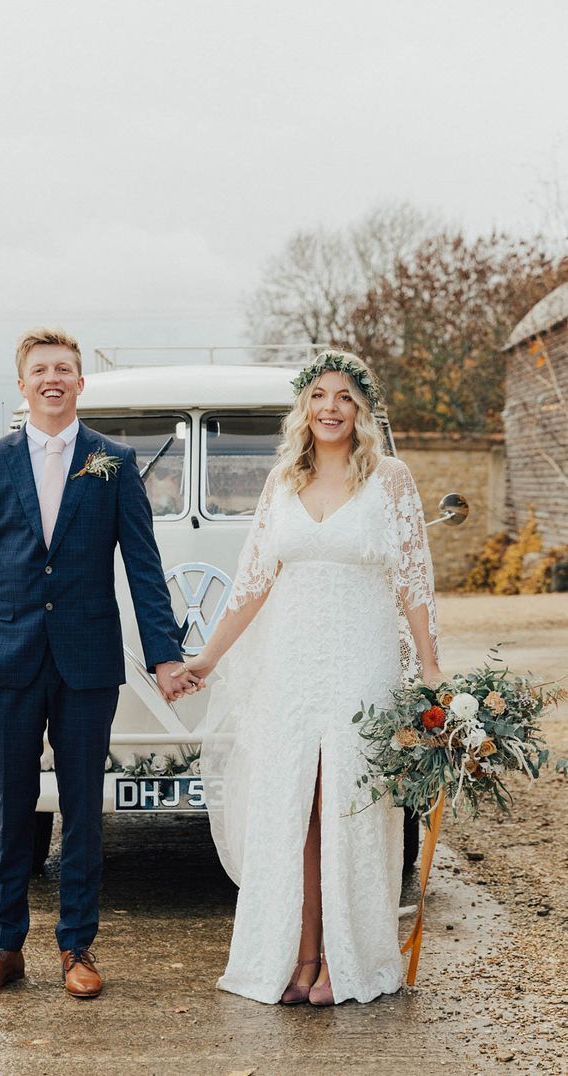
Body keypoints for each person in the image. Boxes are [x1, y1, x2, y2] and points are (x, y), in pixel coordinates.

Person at [179, 351, 441, 1006]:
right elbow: (250, 585)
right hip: (291, 664)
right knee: (294, 808)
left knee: (347, 803)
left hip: (362, 661)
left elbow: (414, 581)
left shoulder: (392, 479)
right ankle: (297, 957)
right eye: (320, 395)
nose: (331, 407)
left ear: (362, 410)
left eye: (345, 397)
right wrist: (207, 658)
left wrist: (432, 669)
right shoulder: (281, 483)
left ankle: (345, 962)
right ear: (305, 408)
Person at [0, 327, 200, 998]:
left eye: (65, 368)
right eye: (41, 370)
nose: (53, 378)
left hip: (88, 664)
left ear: (80, 384)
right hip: (6, 661)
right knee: (13, 809)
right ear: (23, 384)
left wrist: (165, 656)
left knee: (84, 809)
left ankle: (77, 948)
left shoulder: (113, 461)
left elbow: (143, 569)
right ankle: (4, 948)